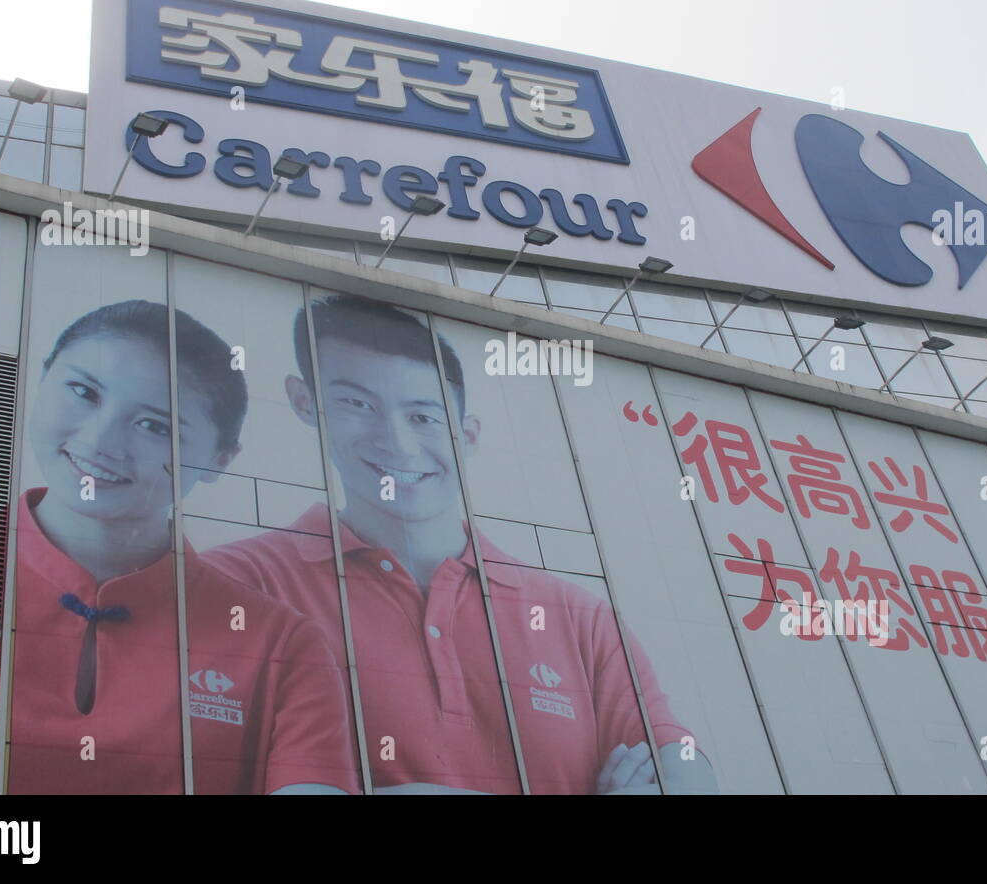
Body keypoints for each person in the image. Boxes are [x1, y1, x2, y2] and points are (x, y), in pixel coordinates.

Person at [204, 294, 718, 794]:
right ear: (305, 403)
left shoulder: (578, 619)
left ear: (467, 434)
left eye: (424, 417)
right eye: (357, 404)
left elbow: (682, 767)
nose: (397, 443)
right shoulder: (228, 588)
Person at [8, 299, 357, 794]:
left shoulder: (281, 645)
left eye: (155, 425)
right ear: (42, 377)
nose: (101, 440)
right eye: (84, 392)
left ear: (220, 458)